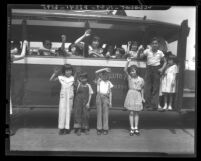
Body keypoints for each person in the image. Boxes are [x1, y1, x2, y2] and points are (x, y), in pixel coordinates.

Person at [140, 37, 167, 111]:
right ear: (151, 44)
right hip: (149, 69)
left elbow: (165, 62)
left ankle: (154, 106)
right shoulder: (147, 51)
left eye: (156, 43)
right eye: (153, 43)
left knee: (155, 88)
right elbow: (141, 57)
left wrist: (162, 68)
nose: (155, 45)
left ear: (158, 45)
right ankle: (147, 105)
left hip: (156, 69)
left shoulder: (160, 52)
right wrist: (141, 51)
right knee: (147, 88)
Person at [49, 64, 75, 135]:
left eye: (70, 70)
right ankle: (61, 128)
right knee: (62, 111)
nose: (68, 72)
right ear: (64, 71)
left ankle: (67, 128)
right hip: (63, 97)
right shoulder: (61, 77)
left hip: (70, 97)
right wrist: (54, 73)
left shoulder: (73, 78)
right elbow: (51, 80)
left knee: (68, 111)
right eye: (67, 70)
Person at [10, 40, 28, 136]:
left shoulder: (10, 56)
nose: (15, 49)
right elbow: (22, 55)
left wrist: (24, 45)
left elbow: (21, 55)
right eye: (13, 47)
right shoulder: (10, 54)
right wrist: (24, 45)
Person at [124, 57, 145, 136]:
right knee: (131, 113)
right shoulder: (129, 78)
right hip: (130, 94)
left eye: (133, 71)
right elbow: (125, 70)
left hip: (137, 95)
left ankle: (136, 128)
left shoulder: (141, 79)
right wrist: (128, 62)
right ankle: (132, 128)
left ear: (136, 71)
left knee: (137, 113)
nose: (132, 72)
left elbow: (142, 89)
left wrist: (142, 97)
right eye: (131, 71)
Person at [95, 68, 113, 135]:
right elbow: (96, 72)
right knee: (99, 113)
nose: (105, 76)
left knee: (105, 113)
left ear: (108, 76)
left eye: (106, 75)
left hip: (106, 97)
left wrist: (110, 102)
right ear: (101, 75)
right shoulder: (99, 81)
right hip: (99, 97)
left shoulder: (109, 82)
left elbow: (111, 93)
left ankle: (105, 128)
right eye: (103, 75)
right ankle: (99, 128)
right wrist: (104, 69)